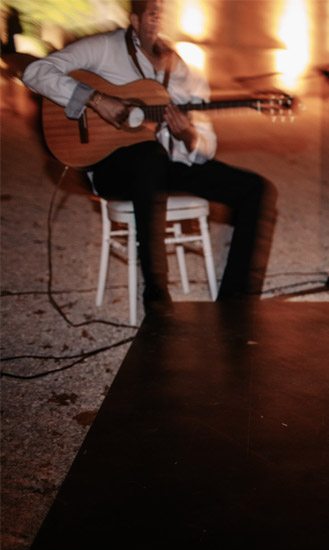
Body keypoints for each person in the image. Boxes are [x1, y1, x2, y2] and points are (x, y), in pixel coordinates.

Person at [22, 0, 275, 315]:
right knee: (149, 155)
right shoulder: (104, 48)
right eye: (153, 14)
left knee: (256, 188)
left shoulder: (181, 70)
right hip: (108, 168)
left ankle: (237, 305)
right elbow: (35, 72)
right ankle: (156, 295)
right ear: (135, 19)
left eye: (163, 14)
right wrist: (97, 100)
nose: (159, 21)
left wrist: (188, 136)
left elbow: (205, 142)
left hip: (163, 166)